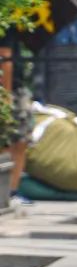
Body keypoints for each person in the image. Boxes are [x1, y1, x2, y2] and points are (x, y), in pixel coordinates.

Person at [0, 33, 31, 204]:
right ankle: (9, 192)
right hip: (11, 89)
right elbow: (5, 57)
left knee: (18, 141)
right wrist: (6, 94)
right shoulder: (8, 19)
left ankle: (11, 191)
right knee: (14, 140)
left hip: (14, 86)